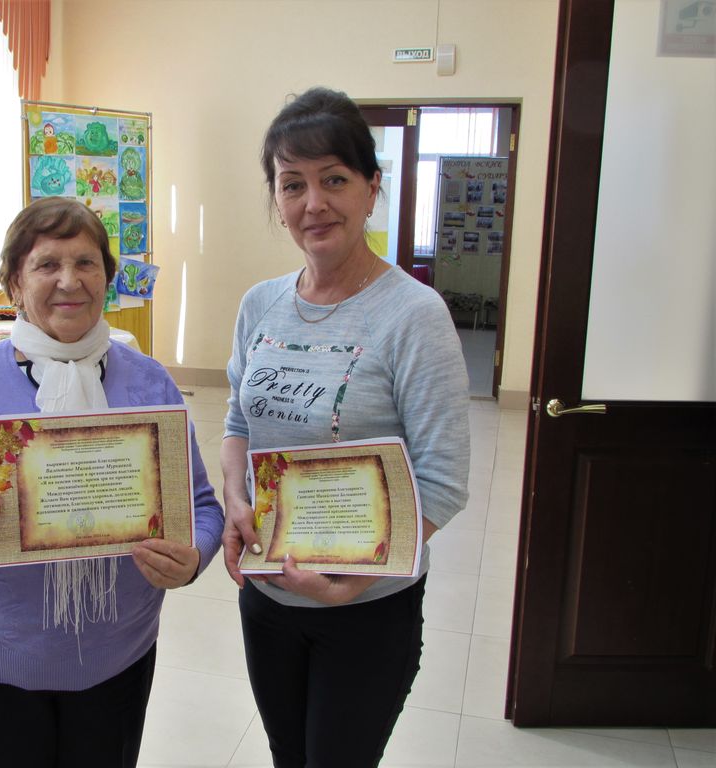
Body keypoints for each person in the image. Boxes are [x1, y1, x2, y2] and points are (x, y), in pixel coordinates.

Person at [0, 196, 224, 768]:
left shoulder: (148, 383)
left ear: (106, 278)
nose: (70, 281)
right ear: (15, 284)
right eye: (47, 265)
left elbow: (203, 508)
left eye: (86, 263)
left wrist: (192, 560)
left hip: (118, 658)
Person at [221, 87, 470, 768]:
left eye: (333, 179)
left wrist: (350, 584)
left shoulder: (414, 315)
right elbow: (238, 417)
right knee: (287, 754)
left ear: (370, 188)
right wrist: (236, 500)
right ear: (276, 198)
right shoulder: (260, 305)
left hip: (369, 609)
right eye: (292, 184)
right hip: (269, 593)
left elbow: (443, 481)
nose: (313, 203)